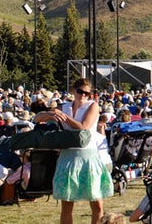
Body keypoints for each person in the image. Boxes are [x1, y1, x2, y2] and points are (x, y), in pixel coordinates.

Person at [34, 78, 113, 224]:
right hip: (67, 157)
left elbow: (84, 126)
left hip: (88, 157)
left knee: (96, 204)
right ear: (73, 91)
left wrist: (64, 117)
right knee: (66, 206)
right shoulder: (64, 106)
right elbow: (37, 118)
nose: (83, 95)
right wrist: (50, 115)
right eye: (80, 91)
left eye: (87, 93)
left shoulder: (93, 106)